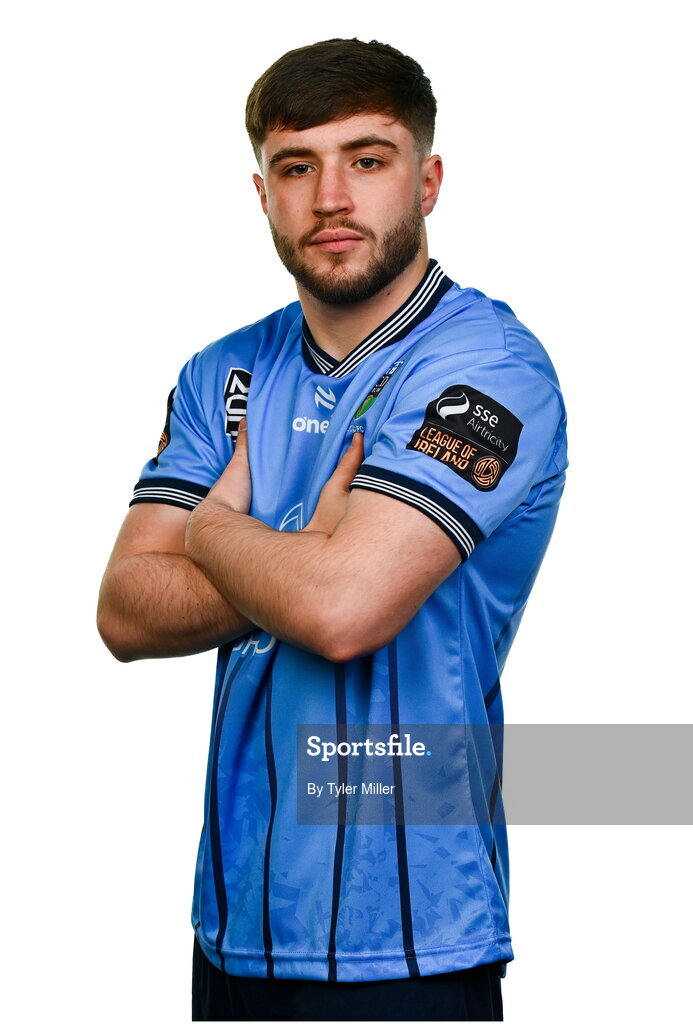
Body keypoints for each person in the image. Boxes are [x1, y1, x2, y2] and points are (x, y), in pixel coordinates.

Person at [97, 37, 567, 1022]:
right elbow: (126, 611)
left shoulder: (485, 367)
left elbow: (345, 607)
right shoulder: (224, 373)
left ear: (427, 179)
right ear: (263, 192)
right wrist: (299, 555)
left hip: (412, 944)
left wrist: (220, 530)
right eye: (296, 167)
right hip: (234, 927)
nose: (331, 198)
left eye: (368, 158)